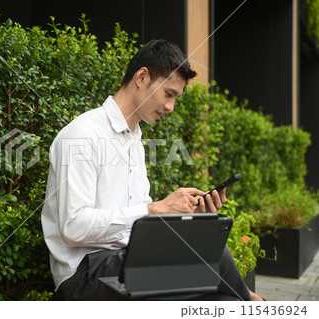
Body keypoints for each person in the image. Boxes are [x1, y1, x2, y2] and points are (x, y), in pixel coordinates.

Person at [41, 39, 263, 301]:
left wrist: (185, 214)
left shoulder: (134, 139)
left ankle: (248, 301)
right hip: (85, 273)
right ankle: (255, 303)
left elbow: (139, 221)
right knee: (216, 258)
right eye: (168, 94)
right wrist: (157, 208)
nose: (170, 107)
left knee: (218, 290)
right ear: (142, 77)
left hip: (128, 260)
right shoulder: (82, 134)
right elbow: (73, 226)